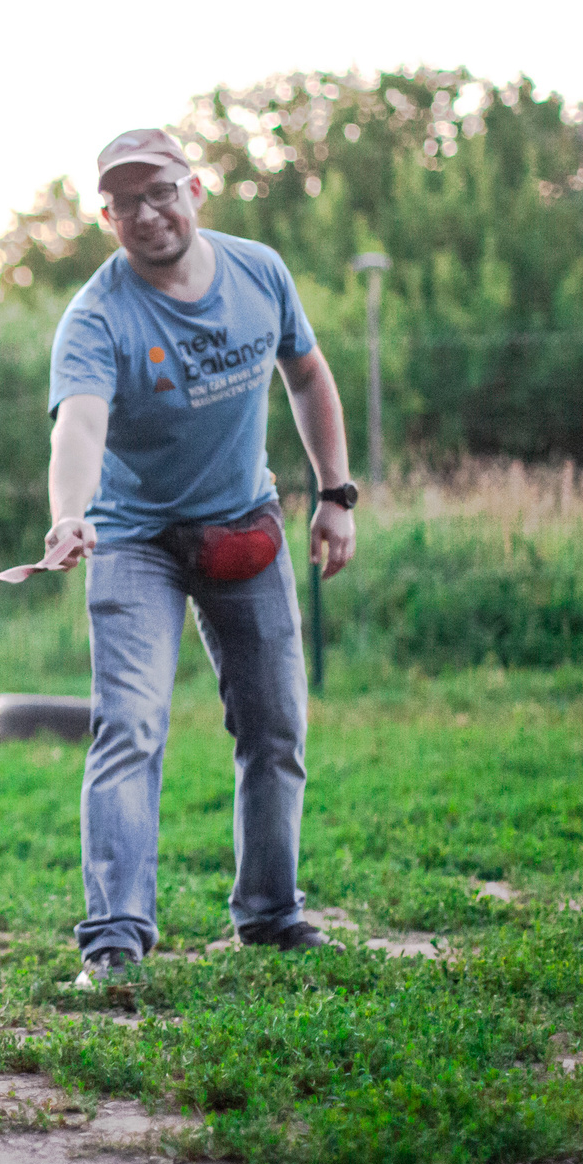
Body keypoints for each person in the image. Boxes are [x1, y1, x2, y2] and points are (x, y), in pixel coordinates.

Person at [43, 127, 356, 985]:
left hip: (243, 527)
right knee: (131, 726)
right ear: (107, 219)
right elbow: (79, 423)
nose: (148, 214)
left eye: (161, 192)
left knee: (276, 725)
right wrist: (69, 514)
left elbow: (308, 373)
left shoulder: (260, 271)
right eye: (127, 203)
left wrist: (335, 495)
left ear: (194, 191)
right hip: (131, 538)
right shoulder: (97, 316)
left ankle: (270, 912)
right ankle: (114, 936)